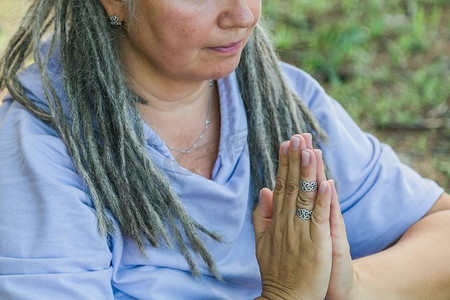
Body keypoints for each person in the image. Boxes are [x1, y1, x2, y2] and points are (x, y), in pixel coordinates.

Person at [0, 0, 449, 299]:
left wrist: (345, 285)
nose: (243, 14)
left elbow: (440, 228)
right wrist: (284, 295)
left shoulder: (278, 100)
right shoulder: (40, 144)